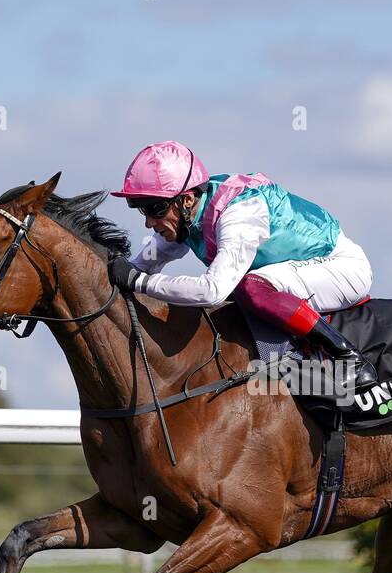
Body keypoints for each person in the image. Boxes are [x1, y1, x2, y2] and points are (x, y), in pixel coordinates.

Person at [109, 140, 378, 390]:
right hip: (299, 269)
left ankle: (348, 356)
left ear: (187, 199)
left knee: (249, 288)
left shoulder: (237, 215)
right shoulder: (187, 216)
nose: (148, 223)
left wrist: (140, 282)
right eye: (142, 210)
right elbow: (136, 268)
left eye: (155, 209)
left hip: (340, 267)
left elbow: (211, 290)